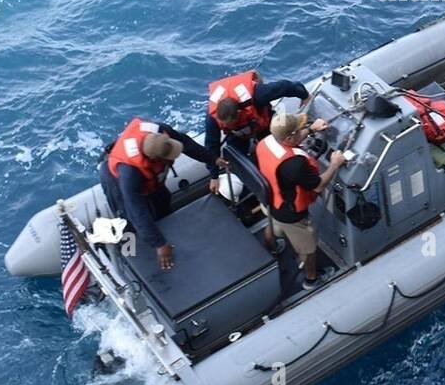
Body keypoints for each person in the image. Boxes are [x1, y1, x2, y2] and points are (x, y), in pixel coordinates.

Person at [206, 70, 326, 249]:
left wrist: (304, 95)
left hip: (260, 122)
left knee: (271, 149)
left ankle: (268, 181)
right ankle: (257, 186)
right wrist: (214, 175)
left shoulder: (258, 96)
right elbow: (211, 145)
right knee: (241, 158)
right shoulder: (213, 119)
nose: (225, 126)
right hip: (239, 135)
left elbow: (285, 86)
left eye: (229, 123)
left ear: (239, 113)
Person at [98, 117, 215, 272]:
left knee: (162, 199)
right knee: (129, 219)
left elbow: (188, 144)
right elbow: (136, 210)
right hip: (116, 181)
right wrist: (159, 244)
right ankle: (135, 257)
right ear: (155, 158)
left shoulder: (159, 131)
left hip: (151, 180)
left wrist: (213, 160)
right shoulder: (129, 173)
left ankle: (167, 233)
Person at [254, 112, 346, 289]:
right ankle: (311, 279)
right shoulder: (294, 164)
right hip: (290, 214)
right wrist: (335, 163)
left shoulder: (266, 142)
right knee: (308, 248)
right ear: (289, 136)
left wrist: (311, 129)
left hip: (269, 201)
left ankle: (272, 247)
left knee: (273, 225)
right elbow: (318, 186)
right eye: (300, 129)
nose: (302, 130)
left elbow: (289, 140)